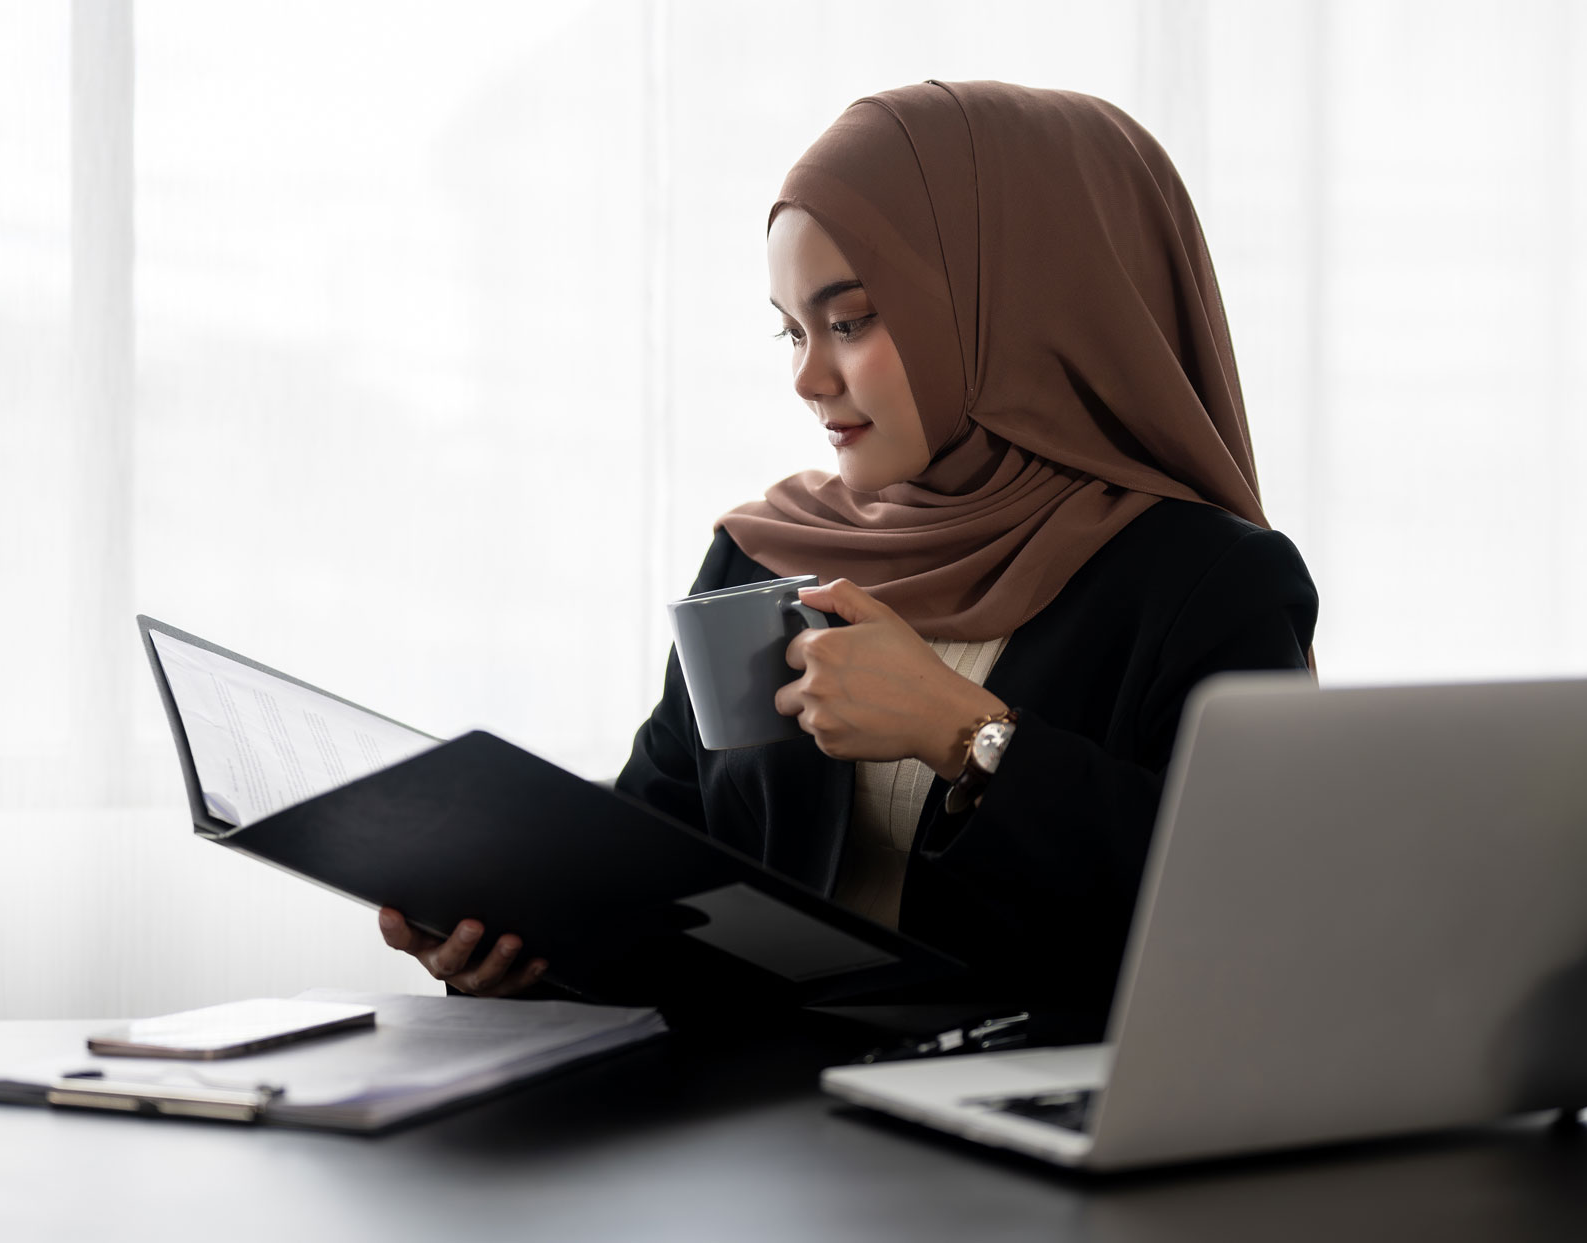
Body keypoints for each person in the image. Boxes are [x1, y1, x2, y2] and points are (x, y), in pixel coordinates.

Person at [379, 80, 1318, 1034]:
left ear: (1021, 301)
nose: (806, 377)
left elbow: (1253, 918)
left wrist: (974, 739)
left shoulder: (1204, 583)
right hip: (753, 1142)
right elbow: (655, 890)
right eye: (792, 329)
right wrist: (521, 950)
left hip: (1029, 1154)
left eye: (852, 319)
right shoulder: (762, 555)